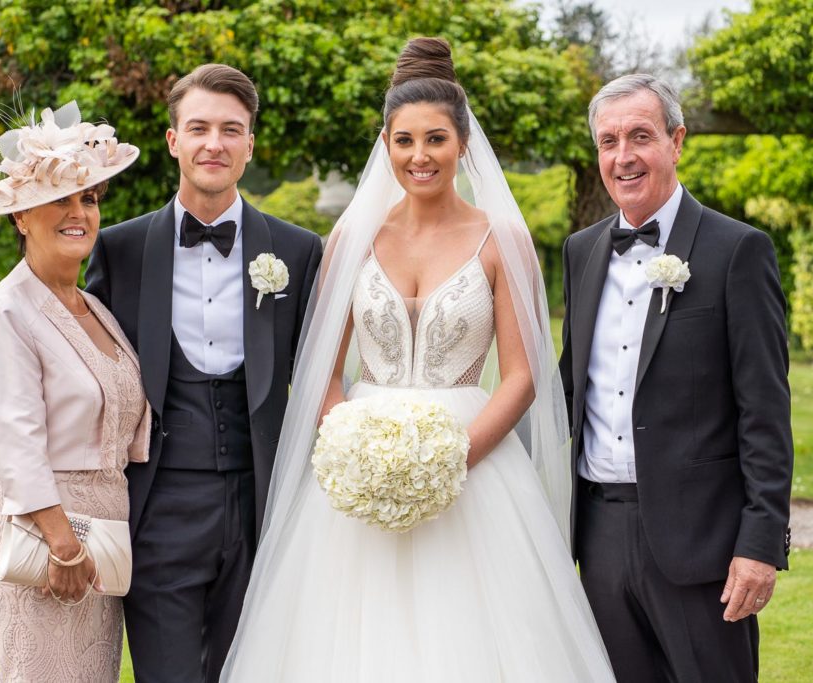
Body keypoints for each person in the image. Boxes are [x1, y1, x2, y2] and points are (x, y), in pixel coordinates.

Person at [220, 37, 615, 682]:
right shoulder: (351, 238)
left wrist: (451, 460)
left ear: (463, 143)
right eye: (404, 140)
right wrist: (350, 445)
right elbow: (321, 366)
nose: (419, 155)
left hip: (474, 469)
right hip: (358, 468)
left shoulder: (502, 238)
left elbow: (521, 378)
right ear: (386, 145)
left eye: (435, 139)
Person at [83, 64, 323, 682]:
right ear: (173, 140)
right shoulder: (120, 249)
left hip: (263, 506)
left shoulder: (299, 251)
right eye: (198, 128)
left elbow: (323, 376)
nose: (214, 143)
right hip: (158, 506)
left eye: (230, 129)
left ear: (250, 144)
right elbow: (82, 354)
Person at [559, 73, 794, 682]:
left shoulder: (738, 250)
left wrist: (760, 543)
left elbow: (765, 412)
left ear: (677, 141)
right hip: (599, 536)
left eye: (640, 136)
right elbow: (568, 391)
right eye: (608, 141)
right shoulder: (581, 252)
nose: (623, 156)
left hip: (703, 544)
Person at [0, 101, 149, 682]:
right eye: (59, 199)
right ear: (21, 216)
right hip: (44, 537)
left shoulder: (93, 307)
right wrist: (62, 544)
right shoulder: (6, 311)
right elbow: (17, 445)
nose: (78, 213)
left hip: (104, 536)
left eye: (88, 198)